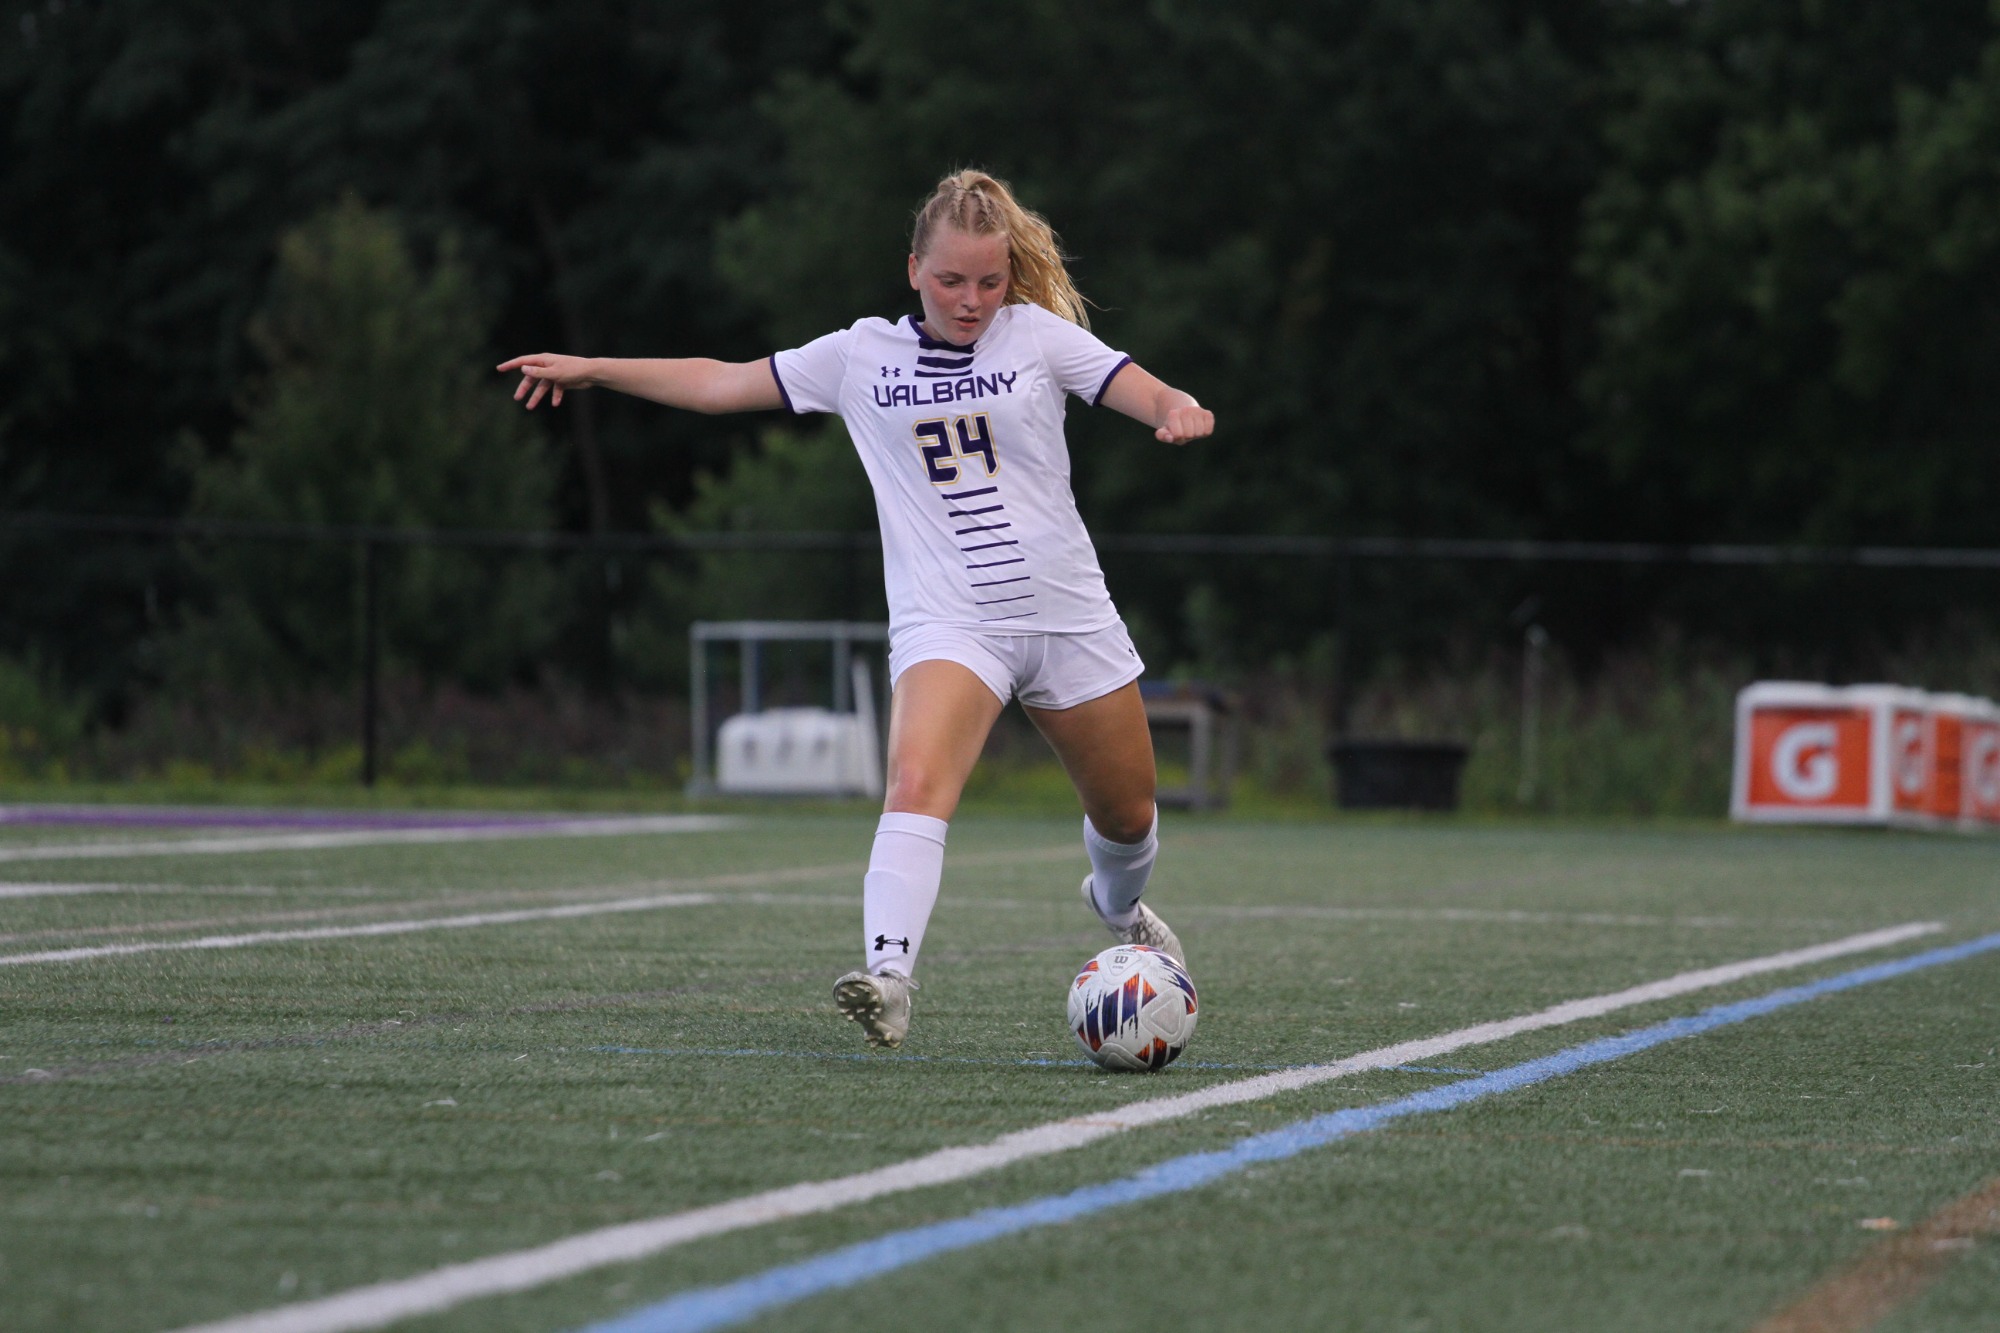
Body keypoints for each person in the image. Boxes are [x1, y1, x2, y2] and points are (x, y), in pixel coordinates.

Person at [499, 169, 1214, 1050]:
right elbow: (722, 383)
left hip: (1069, 617)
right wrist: (598, 371)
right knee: (914, 783)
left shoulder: (1038, 337)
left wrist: (1177, 409)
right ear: (912, 267)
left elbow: (1141, 388)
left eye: (989, 282)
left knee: (1128, 815)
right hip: (952, 622)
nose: (972, 300)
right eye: (951, 280)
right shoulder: (860, 355)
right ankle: (890, 975)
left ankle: (1117, 903)